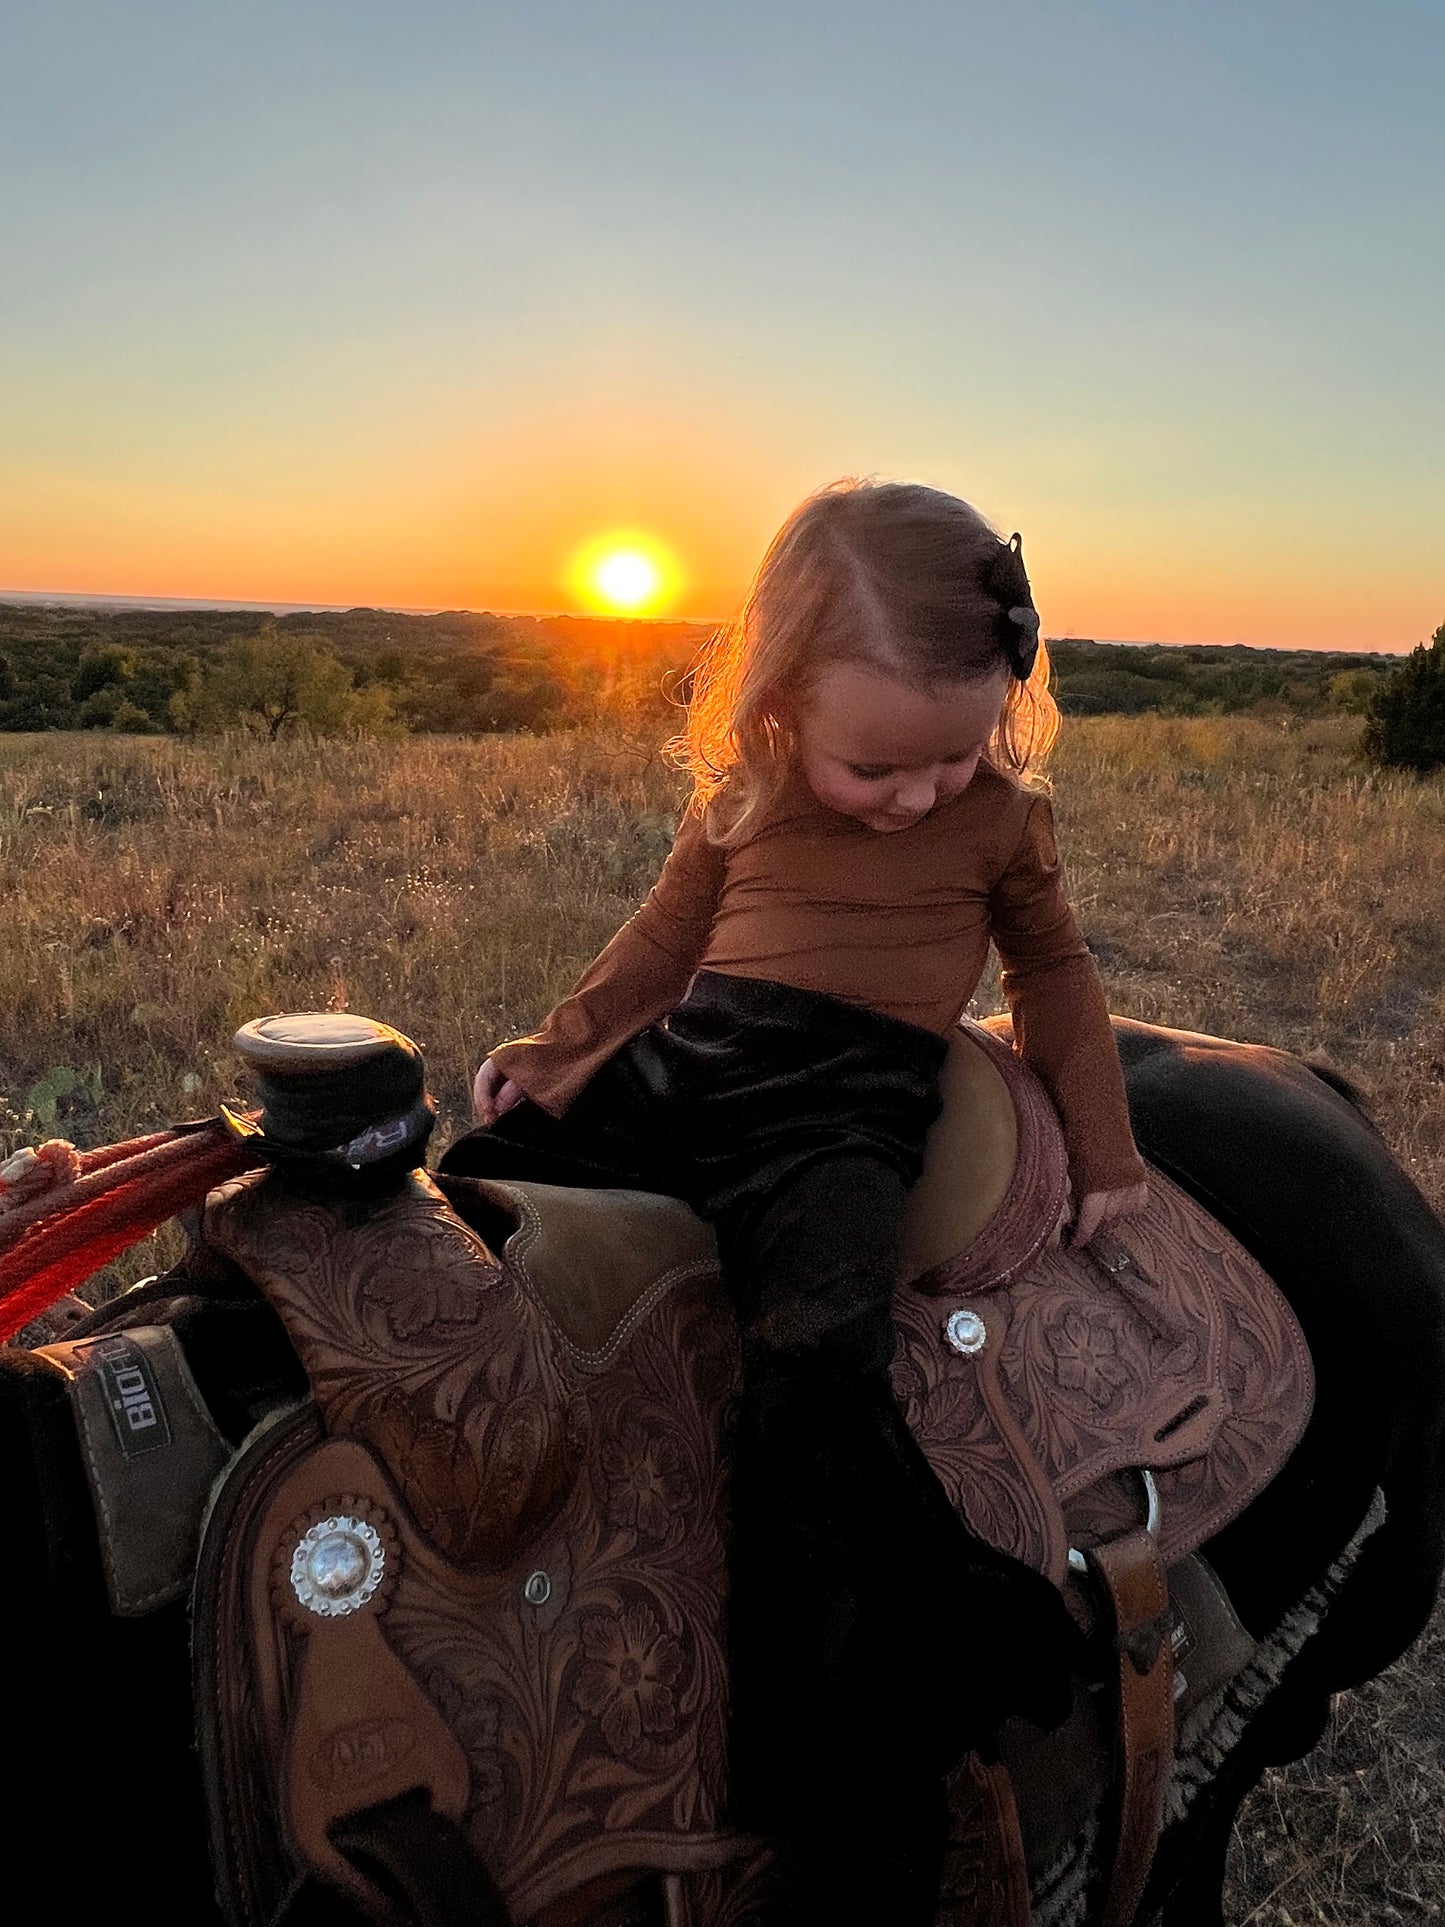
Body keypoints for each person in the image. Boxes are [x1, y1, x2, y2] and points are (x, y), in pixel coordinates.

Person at [441, 480, 1149, 1920]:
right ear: (777, 699)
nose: (916, 798)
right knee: (473, 1205)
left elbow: (1056, 985)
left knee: (814, 1371)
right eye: (875, 769)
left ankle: (909, 1650)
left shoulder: (999, 825)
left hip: (843, 1112)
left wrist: (1106, 1152)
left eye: (951, 760)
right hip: (703, 1059)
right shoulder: (747, 797)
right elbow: (661, 947)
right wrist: (561, 1055)